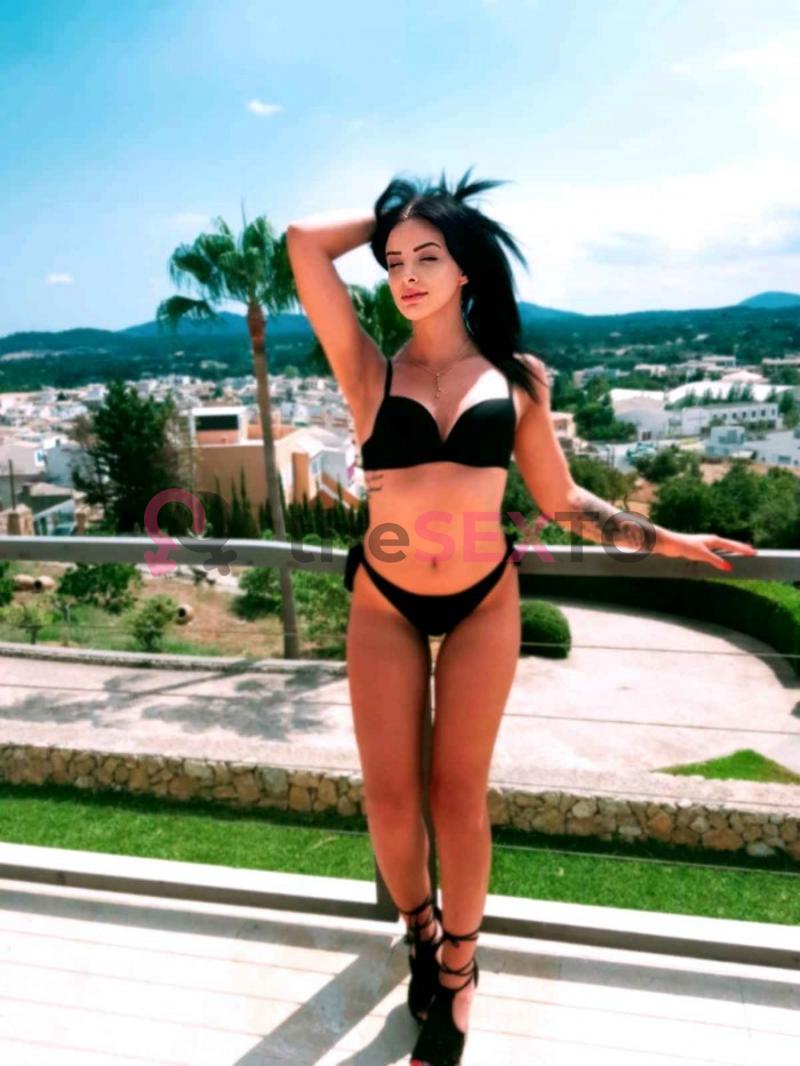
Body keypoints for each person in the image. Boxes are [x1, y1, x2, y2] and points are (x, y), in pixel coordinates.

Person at [286, 167, 757, 1066]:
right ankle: (421, 931)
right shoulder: (368, 369)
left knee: (456, 795)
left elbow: (562, 500)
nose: (407, 274)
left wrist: (668, 539)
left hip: (481, 600)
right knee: (390, 799)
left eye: (429, 256)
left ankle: (460, 972)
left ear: (467, 267)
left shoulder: (519, 378)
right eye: (394, 261)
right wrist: (400, 212)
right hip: (385, 598)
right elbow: (305, 243)